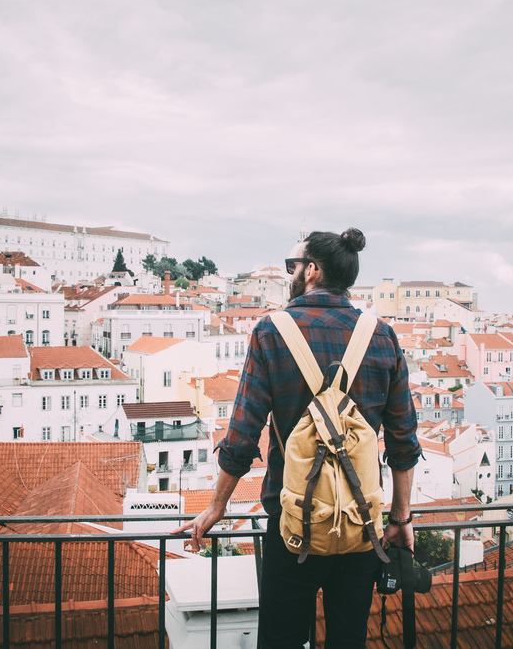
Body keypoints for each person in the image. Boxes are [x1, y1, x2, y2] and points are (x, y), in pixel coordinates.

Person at [175, 228, 421, 648]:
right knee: (348, 639)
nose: (289, 273)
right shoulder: (381, 335)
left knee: (282, 639)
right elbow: (402, 440)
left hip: (292, 525)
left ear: (312, 270)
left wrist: (217, 507)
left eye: (293, 265)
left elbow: (242, 435)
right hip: (361, 525)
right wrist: (399, 519)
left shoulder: (272, 332)